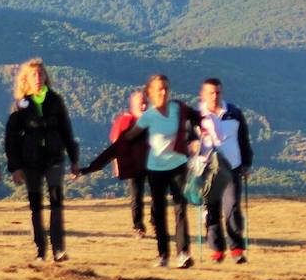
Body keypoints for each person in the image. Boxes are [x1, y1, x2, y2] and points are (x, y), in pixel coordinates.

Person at [86, 74, 197, 268]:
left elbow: (197, 120)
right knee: (160, 212)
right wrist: (91, 167)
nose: (164, 92)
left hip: (178, 166)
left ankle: (183, 254)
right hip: (156, 169)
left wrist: (198, 135)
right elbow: (120, 144)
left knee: (180, 209)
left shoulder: (176, 109)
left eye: (166, 89)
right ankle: (163, 255)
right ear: (151, 93)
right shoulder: (148, 119)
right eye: (159, 89)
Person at [5, 58, 80, 263]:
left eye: (41, 74)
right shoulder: (21, 105)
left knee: (56, 203)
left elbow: (66, 130)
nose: (38, 78)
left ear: (46, 76)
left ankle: (58, 249)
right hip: (30, 163)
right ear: (26, 80)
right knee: (35, 207)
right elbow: (11, 138)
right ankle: (40, 251)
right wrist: (15, 167)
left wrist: (74, 160)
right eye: (33, 75)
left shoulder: (56, 100)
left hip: (54, 159)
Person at [193, 77, 254, 264]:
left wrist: (246, 163)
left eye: (218, 92)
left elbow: (243, 139)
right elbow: (189, 140)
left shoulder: (234, 113)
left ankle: (236, 249)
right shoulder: (196, 116)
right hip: (207, 169)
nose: (215, 96)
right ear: (202, 94)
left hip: (232, 168)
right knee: (211, 210)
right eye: (211, 92)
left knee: (232, 208)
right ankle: (217, 250)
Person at [111, 90, 150, 237]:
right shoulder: (125, 120)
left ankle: (155, 221)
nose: (145, 106)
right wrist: (117, 164)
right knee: (137, 195)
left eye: (146, 102)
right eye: (142, 103)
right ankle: (138, 226)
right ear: (133, 105)